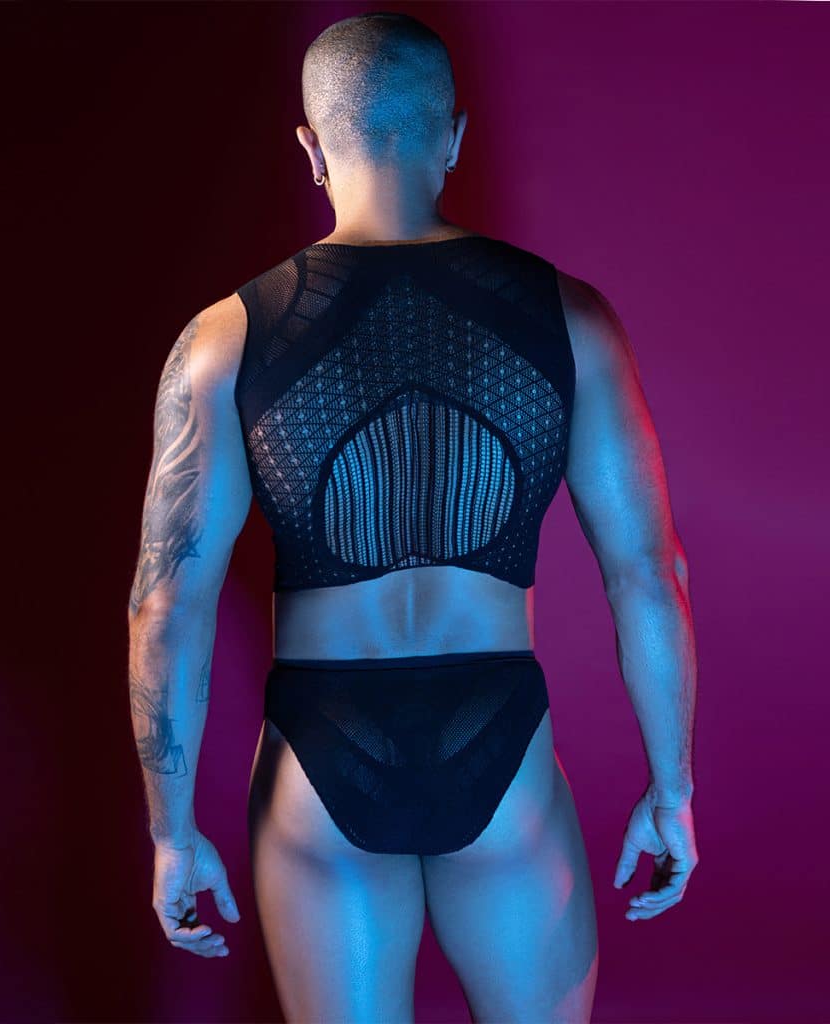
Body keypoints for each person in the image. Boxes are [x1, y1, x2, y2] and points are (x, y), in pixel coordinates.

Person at [126, 10, 698, 1023]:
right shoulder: (572, 318)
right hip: (498, 732)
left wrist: (171, 833)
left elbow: (167, 604)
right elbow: (648, 573)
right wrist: (672, 790)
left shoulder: (223, 338)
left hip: (320, 740)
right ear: (452, 138)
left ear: (311, 148)